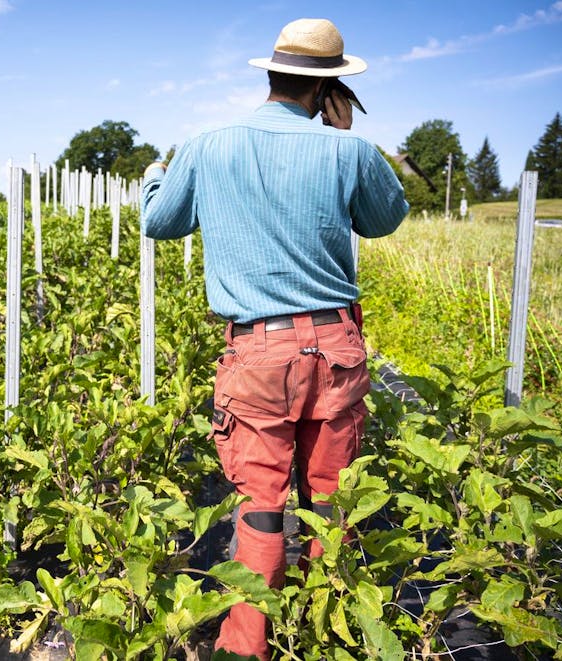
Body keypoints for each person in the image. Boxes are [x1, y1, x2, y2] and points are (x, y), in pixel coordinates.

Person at [140, 17, 409, 660]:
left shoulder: (207, 145)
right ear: (328, 90)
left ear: (271, 74)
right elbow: (385, 219)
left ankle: (246, 648)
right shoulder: (349, 151)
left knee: (260, 504)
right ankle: (323, 631)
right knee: (332, 498)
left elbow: (159, 221)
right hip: (335, 345)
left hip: (258, 349)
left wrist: (154, 174)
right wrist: (344, 139)